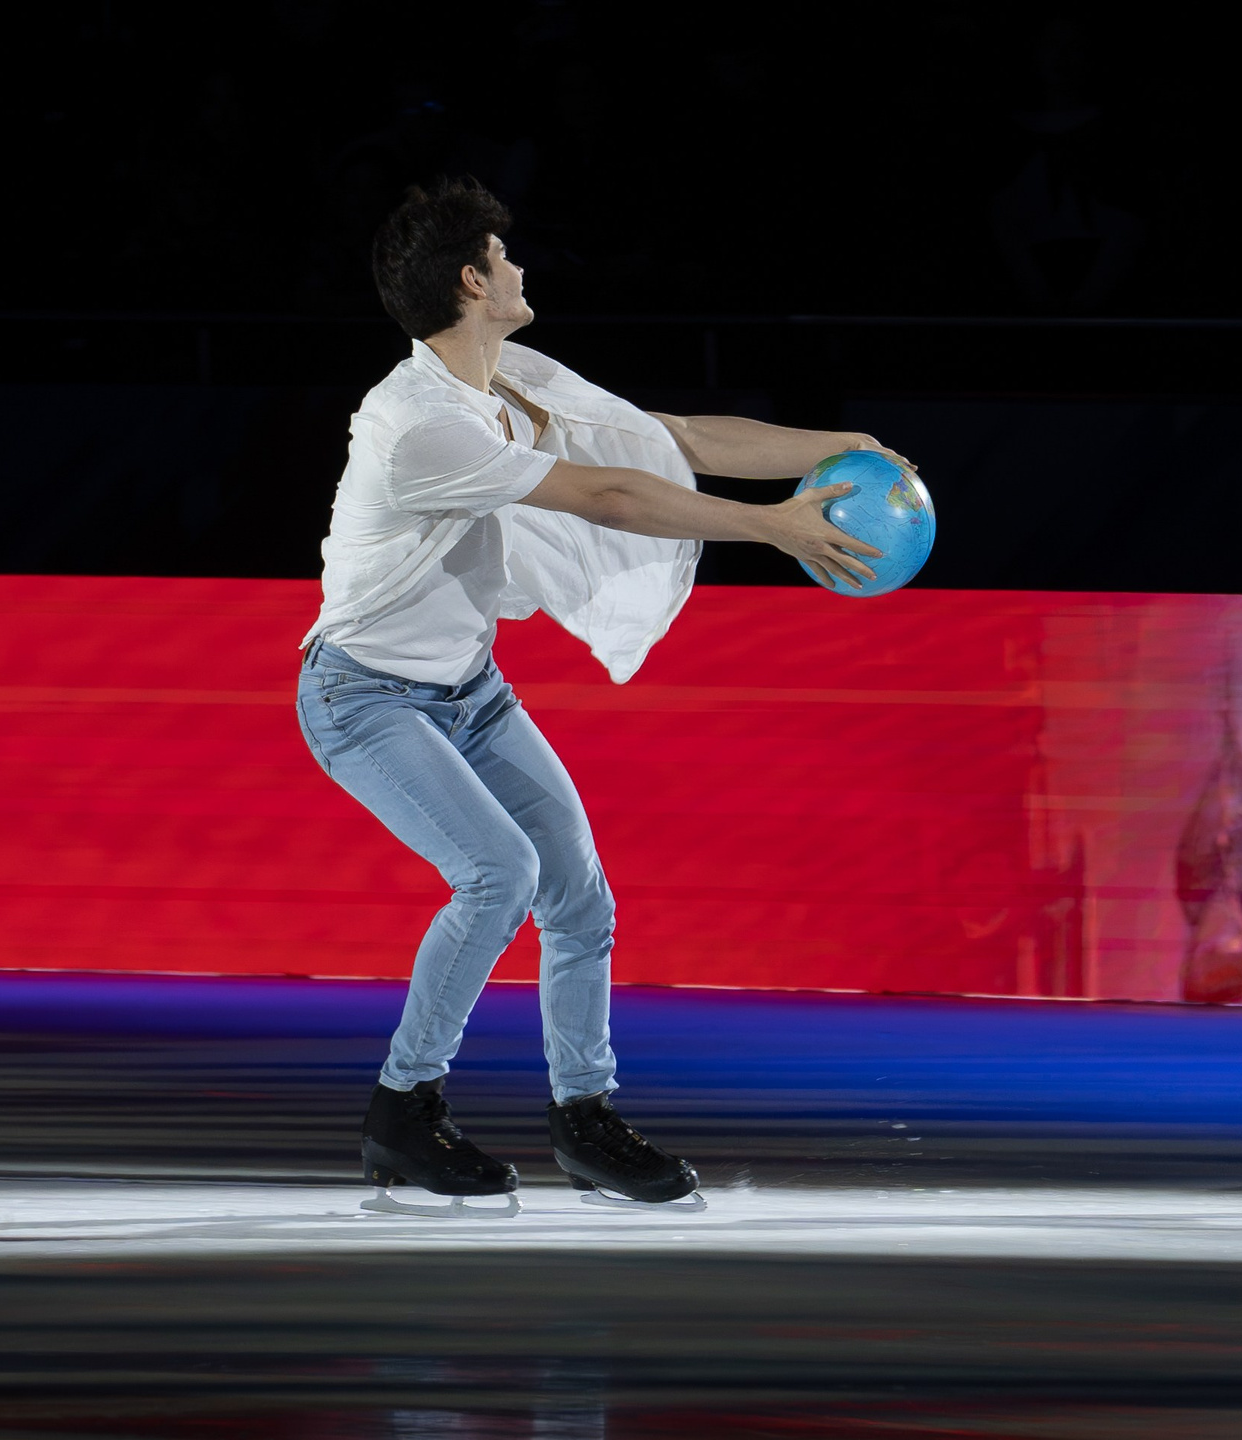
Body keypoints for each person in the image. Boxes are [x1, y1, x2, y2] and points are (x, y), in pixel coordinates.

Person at [299, 178, 900, 1214]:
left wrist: (839, 455)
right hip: (364, 699)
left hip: (468, 691)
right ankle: (403, 1110)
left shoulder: (512, 379)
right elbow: (611, 497)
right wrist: (778, 529)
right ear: (471, 282)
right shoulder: (418, 426)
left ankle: (584, 1119)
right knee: (500, 875)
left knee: (580, 897)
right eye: (505, 255)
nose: (523, 268)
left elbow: (670, 443)